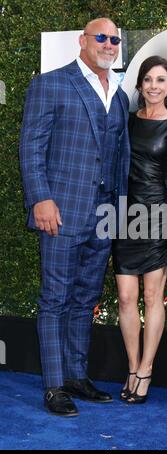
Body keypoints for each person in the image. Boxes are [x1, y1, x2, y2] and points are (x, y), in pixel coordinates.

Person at [19, 18, 130, 416]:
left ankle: (75, 376)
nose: (108, 43)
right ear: (82, 41)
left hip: (103, 214)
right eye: (101, 37)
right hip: (61, 211)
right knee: (55, 298)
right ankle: (53, 387)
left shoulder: (118, 94)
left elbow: (120, 157)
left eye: (114, 39)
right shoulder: (50, 83)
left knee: (85, 299)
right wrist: (41, 199)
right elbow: (31, 147)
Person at [112, 56, 167, 404]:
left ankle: (146, 369)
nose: (153, 86)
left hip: (158, 215)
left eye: (161, 80)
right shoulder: (125, 122)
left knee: (153, 297)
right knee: (126, 297)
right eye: (148, 80)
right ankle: (130, 367)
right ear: (139, 85)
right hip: (123, 213)